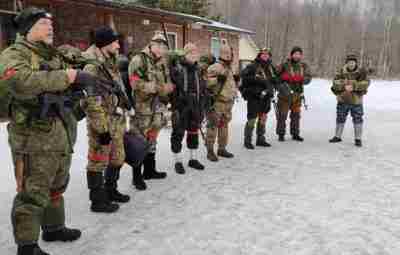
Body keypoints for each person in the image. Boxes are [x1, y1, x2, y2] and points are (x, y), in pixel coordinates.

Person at [0, 7, 103, 255]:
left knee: (57, 185)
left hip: (61, 134)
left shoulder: (55, 54)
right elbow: (20, 82)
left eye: (51, 24)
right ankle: (27, 246)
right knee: (32, 193)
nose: (50, 27)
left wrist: (83, 73)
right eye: (44, 24)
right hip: (32, 138)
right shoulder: (14, 54)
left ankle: (54, 227)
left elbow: (90, 62)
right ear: (28, 29)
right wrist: (67, 76)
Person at [82, 27, 131, 213]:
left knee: (117, 157)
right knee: (98, 159)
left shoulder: (110, 61)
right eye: (115, 42)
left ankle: (111, 190)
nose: (118, 45)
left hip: (116, 118)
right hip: (101, 120)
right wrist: (101, 129)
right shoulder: (92, 65)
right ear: (104, 44)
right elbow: (90, 100)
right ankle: (97, 200)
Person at [128, 34, 174, 190]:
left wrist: (168, 88)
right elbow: (135, 84)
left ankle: (149, 170)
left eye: (164, 47)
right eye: (159, 46)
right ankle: (137, 176)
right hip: (142, 108)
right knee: (139, 141)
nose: (162, 49)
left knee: (152, 139)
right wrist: (159, 88)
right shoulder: (138, 60)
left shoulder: (162, 62)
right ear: (151, 45)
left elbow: (166, 80)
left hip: (157, 108)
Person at [169, 43, 207, 174]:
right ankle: (178, 161)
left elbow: (202, 90)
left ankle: (193, 159)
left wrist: (201, 108)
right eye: (191, 53)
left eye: (196, 52)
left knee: (193, 133)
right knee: (178, 134)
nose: (194, 55)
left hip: (195, 106)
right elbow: (171, 90)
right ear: (185, 55)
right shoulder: (177, 69)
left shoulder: (198, 70)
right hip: (181, 107)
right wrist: (177, 104)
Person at [240, 47, 278, 149]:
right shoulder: (253, 66)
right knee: (252, 118)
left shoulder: (271, 67)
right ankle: (247, 141)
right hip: (255, 96)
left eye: (267, 54)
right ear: (259, 55)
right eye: (263, 54)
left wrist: (275, 83)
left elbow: (276, 79)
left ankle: (260, 139)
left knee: (263, 117)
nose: (265, 56)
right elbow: (243, 77)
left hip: (267, 96)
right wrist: (256, 79)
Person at [205, 43, 238, 162]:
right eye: (229, 54)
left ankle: (222, 148)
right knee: (212, 126)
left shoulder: (230, 68)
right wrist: (216, 79)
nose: (231, 56)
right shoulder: (215, 67)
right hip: (217, 101)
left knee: (224, 126)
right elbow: (206, 82)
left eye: (231, 54)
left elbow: (230, 85)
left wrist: (236, 82)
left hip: (228, 102)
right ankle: (210, 150)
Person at [330, 53, 370, 147]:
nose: (351, 64)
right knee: (340, 117)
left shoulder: (362, 72)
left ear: (356, 63)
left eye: (353, 62)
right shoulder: (340, 71)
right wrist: (345, 85)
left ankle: (358, 139)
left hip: (357, 101)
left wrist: (353, 86)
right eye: (349, 62)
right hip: (343, 100)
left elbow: (366, 83)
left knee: (358, 119)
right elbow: (334, 83)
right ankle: (337, 136)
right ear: (346, 63)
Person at [276, 46, 312, 142]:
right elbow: (275, 77)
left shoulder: (304, 66)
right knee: (282, 115)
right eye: (295, 54)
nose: (297, 56)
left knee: (296, 115)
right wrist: (283, 77)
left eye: (299, 54)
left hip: (297, 95)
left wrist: (301, 79)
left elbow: (308, 78)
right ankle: (281, 134)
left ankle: (295, 134)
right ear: (291, 55)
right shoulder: (284, 65)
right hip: (284, 95)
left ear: (301, 55)